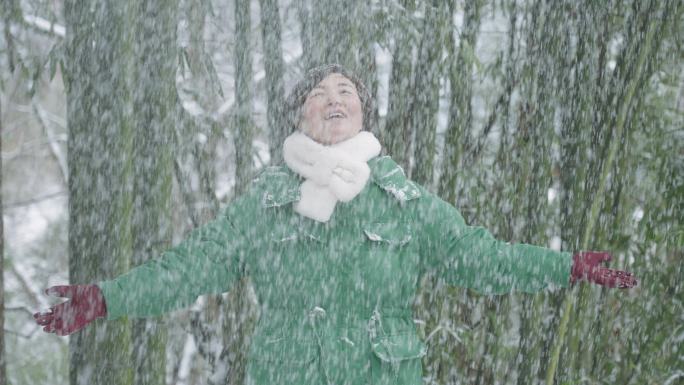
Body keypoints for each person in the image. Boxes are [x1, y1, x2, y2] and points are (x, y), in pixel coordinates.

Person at [34, 64, 637, 384]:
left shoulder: (404, 202)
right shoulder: (264, 206)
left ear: (362, 112)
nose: (332, 97)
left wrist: (566, 266)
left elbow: (481, 258)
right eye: (318, 92)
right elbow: (187, 267)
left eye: (344, 88)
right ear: (301, 115)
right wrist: (107, 299)